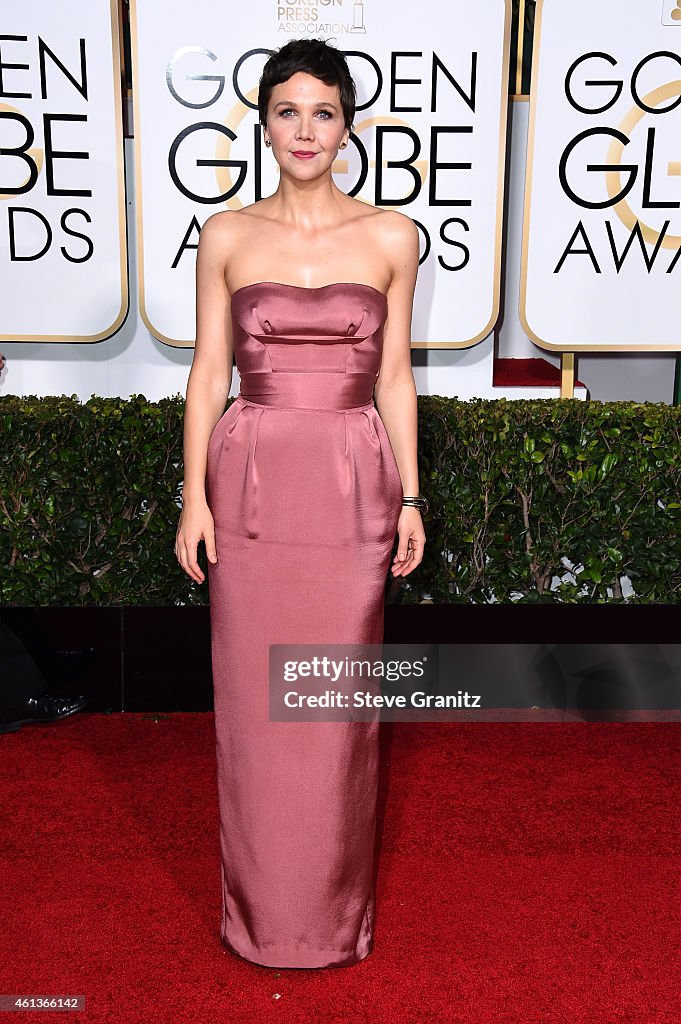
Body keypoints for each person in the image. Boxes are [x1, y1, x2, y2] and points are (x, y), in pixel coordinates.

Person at [175, 38, 426, 969]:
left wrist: (410, 496)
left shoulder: (392, 235)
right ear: (264, 122)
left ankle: (330, 918)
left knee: (334, 710)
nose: (305, 130)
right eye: (288, 111)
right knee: (253, 705)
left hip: (351, 485)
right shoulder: (227, 234)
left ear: (348, 125)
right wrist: (192, 499)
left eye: (322, 112)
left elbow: (396, 377)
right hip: (249, 484)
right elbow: (207, 374)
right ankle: (259, 917)